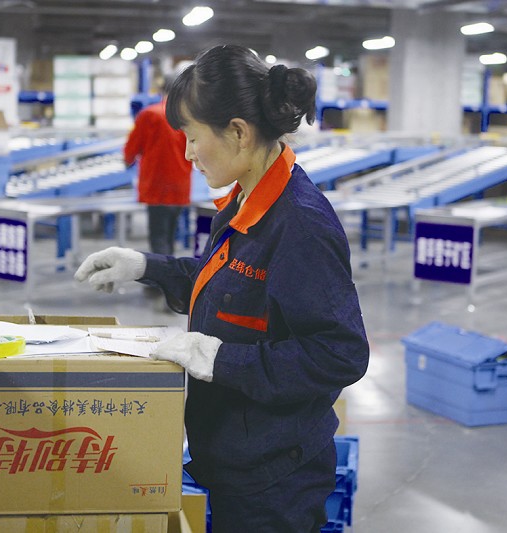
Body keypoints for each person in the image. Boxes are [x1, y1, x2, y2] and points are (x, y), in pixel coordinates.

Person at [75, 44, 369, 532]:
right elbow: (228, 282)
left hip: (275, 480)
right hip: (236, 458)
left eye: (193, 138)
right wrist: (146, 266)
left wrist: (220, 358)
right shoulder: (246, 200)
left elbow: (339, 353)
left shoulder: (300, 225)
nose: (187, 153)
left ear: (237, 132)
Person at [124, 75, 193, 256]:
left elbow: (132, 148)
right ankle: (169, 268)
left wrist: (127, 161)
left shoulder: (150, 115)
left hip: (157, 187)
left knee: (158, 237)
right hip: (181, 186)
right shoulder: (189, 117)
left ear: (162, 90)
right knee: (170, 236)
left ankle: (163, 272)